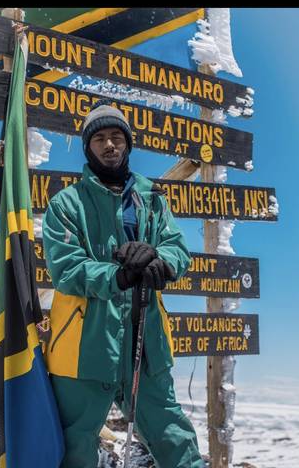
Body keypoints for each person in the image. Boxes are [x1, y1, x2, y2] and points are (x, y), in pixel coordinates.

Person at [42, 100, 204, 468]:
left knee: (172, 437)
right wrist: (118, 276)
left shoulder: (150, 200)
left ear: (128, 144)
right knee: (74, 446)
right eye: (99, 138)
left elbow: (176, 246)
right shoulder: (67, 204)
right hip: (84, 346)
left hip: (145, 342)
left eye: (117, 136)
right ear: (88, 147)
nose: (110, 144)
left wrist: (160, 263)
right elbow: (66, 268)